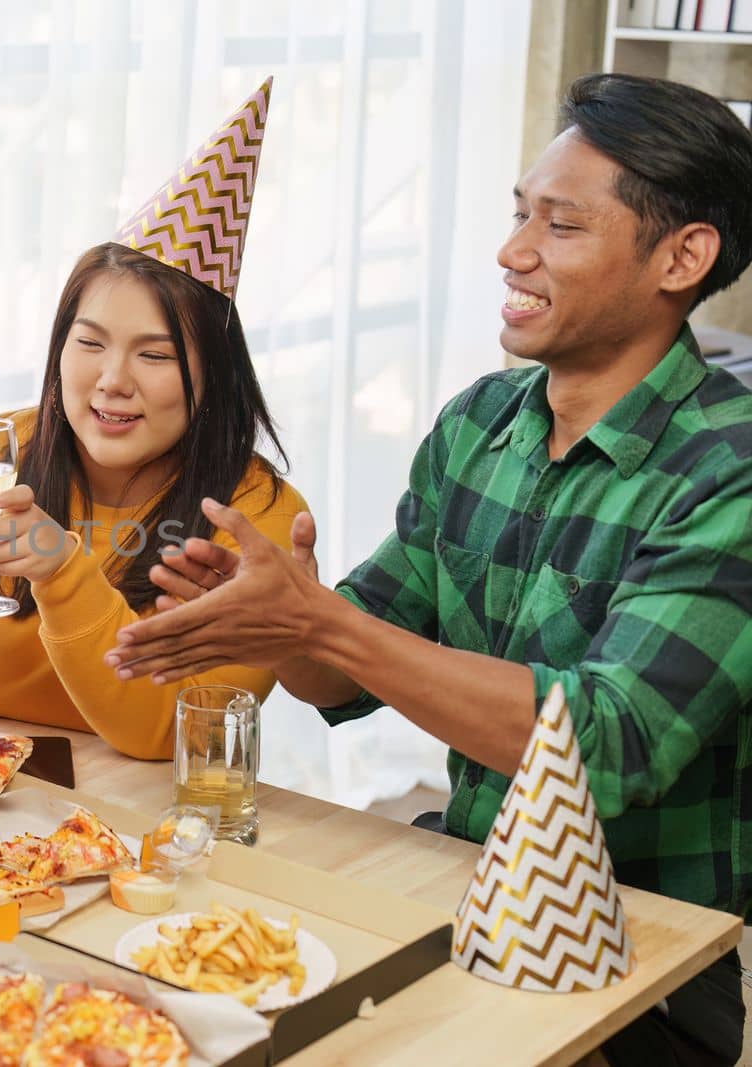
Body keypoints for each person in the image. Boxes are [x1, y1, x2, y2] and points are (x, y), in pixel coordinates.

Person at [110, 73, 752, 1066]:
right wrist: (286, 619)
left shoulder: (730, 470)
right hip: (460, 884)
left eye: (560, 226)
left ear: (682, 256)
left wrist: (322, 622)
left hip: (637, 953)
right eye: (515, 214)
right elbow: (343, 675)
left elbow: (605, 748)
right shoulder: (478, 424)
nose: (512, 252)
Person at [0, 81, 308, 760]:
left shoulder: (253, 521)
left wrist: (61, 573)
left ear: (213, 371)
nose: (112, 380)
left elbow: (167, 731)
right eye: (89, 343)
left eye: (154, 354)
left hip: (137, 838)